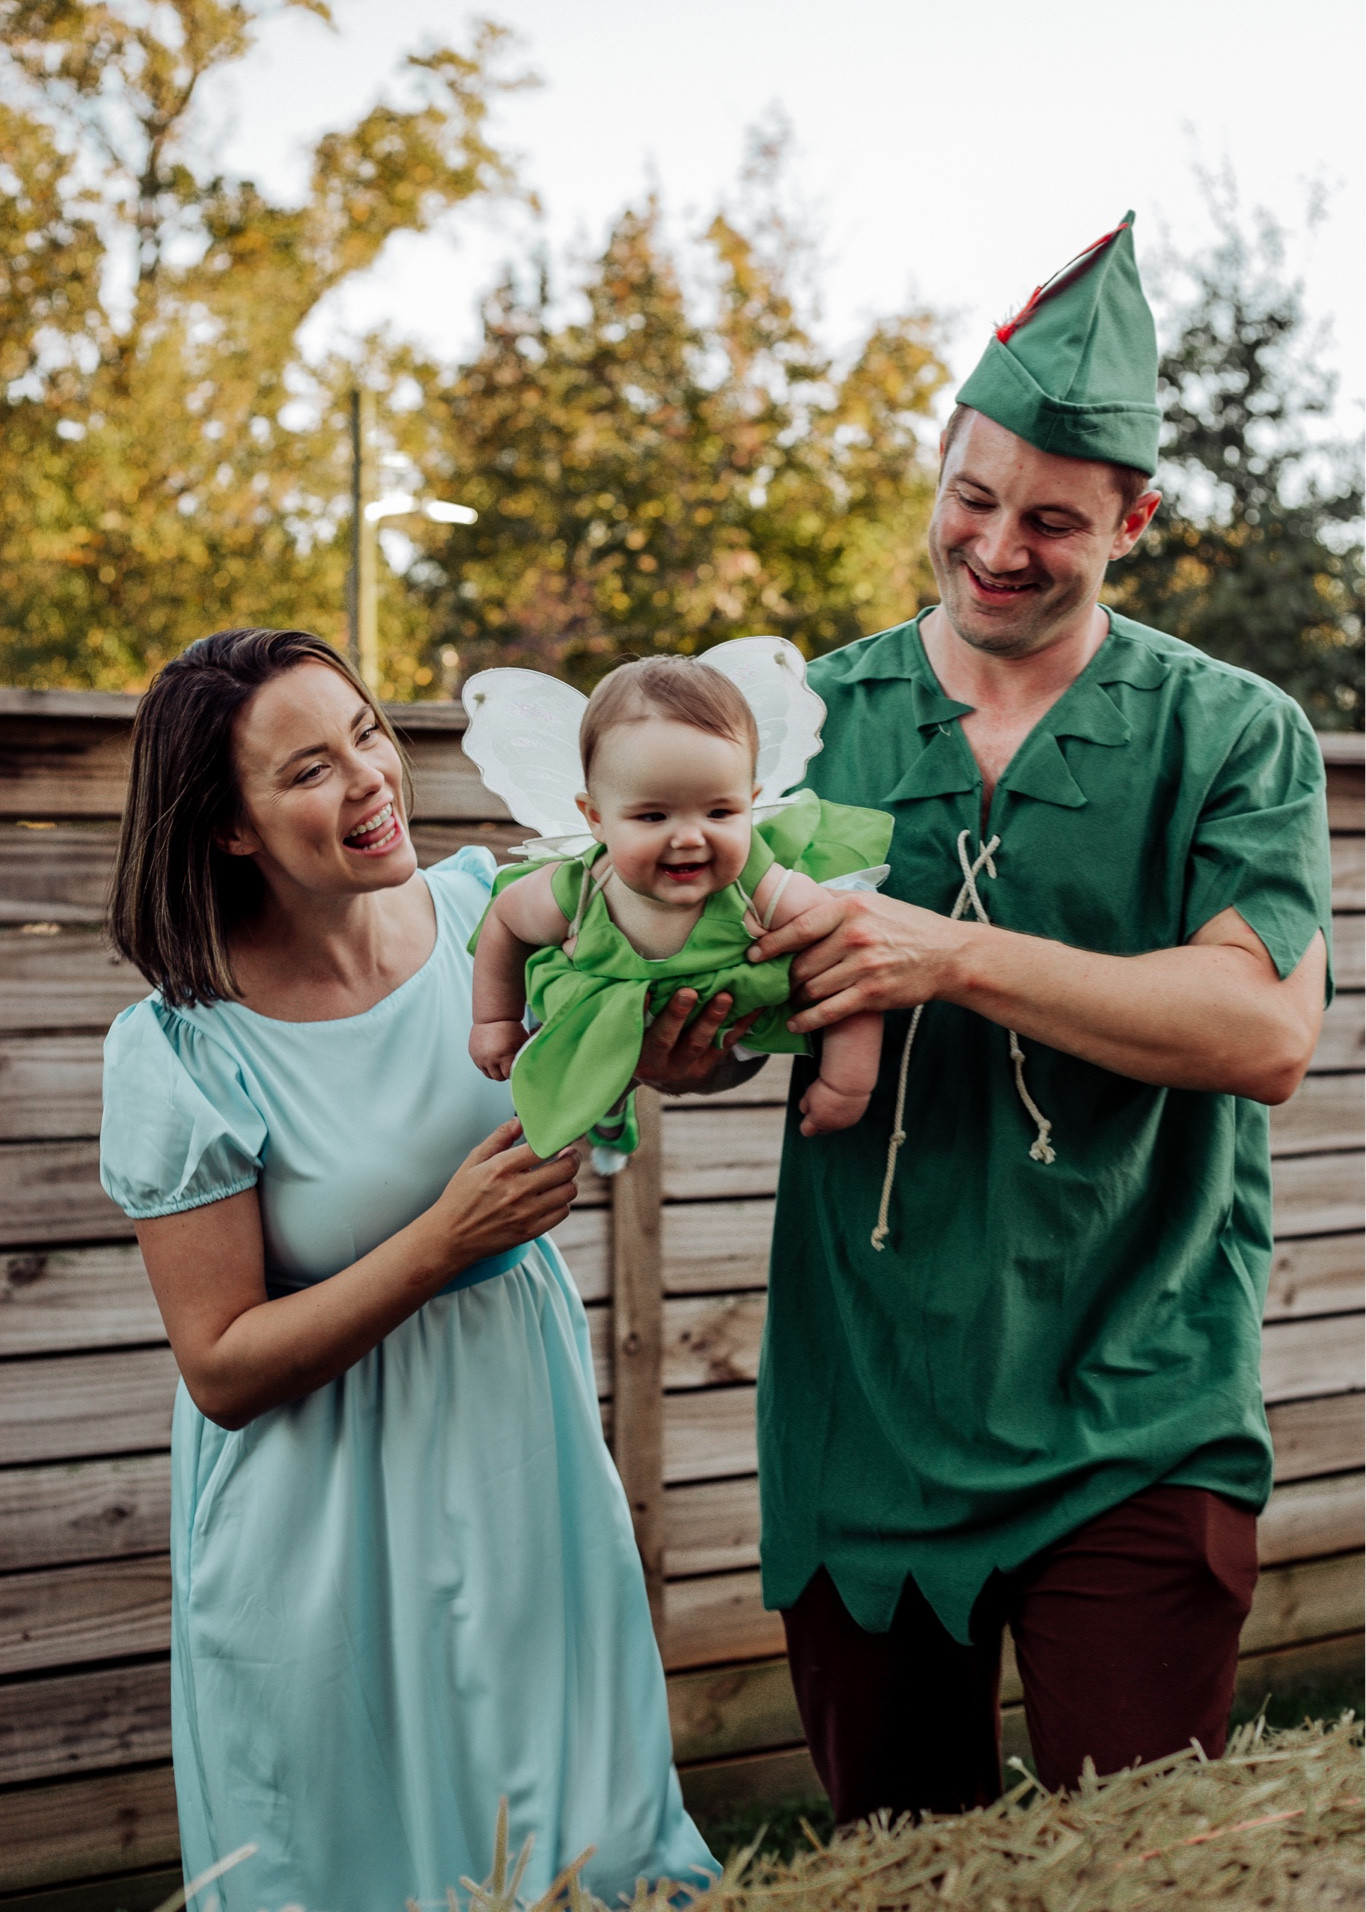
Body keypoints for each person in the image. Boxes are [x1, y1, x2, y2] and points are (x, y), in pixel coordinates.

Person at [746, 214, 1333, 1821]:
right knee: (901, 1862)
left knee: (1139, 1859)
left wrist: (946, 954)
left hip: (1138, 1400)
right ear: (935, 477)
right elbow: (709, 999)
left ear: (1131, 520)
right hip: (865, 1412)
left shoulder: (1234, 734)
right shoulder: (799, 723)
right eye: (970, 498)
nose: (997, 546)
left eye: (1054, 521)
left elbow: (1259, 1035)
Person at [99, 630, 725, 1910]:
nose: (372, 776)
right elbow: (219, 1365)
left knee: (584, 1851)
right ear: (228, 827)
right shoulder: (180, 1045)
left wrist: (697, 1046)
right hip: (316, 1542)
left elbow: (665, 1051)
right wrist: (443, 1237)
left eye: (368, 732)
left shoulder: (494, 914)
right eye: (310, 768)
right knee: (352, 1865)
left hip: (521, 1468)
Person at [468, 655, 892, 1152]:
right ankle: (605, 1105)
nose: (690, 837)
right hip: (606, 997)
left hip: (730, 1014)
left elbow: (851, 970)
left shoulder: (765, 890)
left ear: (750, 805)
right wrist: (495, 1020)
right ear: (596, 818)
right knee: (568, 1052)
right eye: (653, 816)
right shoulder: (576, 891)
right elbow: (504, 922)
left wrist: (847, 1082)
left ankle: (605, 1100)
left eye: (720, 811)